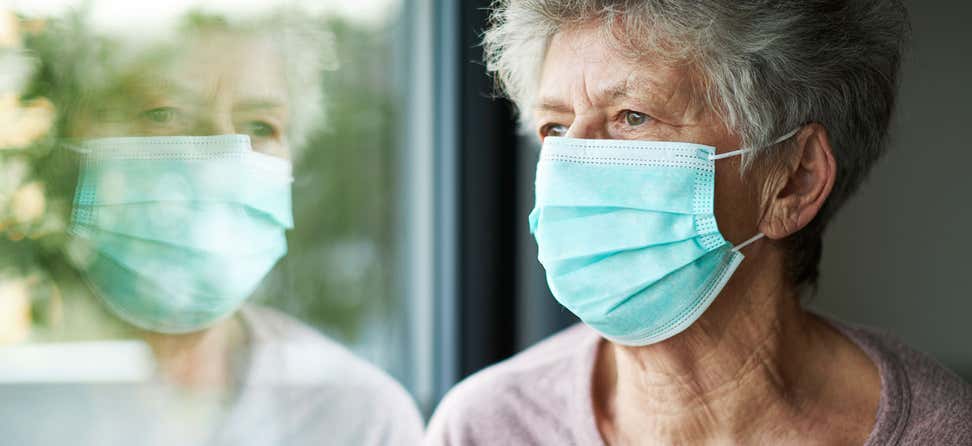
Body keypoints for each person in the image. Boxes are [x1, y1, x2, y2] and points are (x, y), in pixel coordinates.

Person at [427, 1, 972, 445]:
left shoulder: (939, 431)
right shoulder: (487, 427)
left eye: (632, 116)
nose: (574, 165)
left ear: (793, 180)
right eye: (556, 128)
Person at [3, 12, 423, 446]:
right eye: (165, 114)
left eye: (260, 127)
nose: (224, 155)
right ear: (77, 141)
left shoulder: (358, 418)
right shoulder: (18, 391)